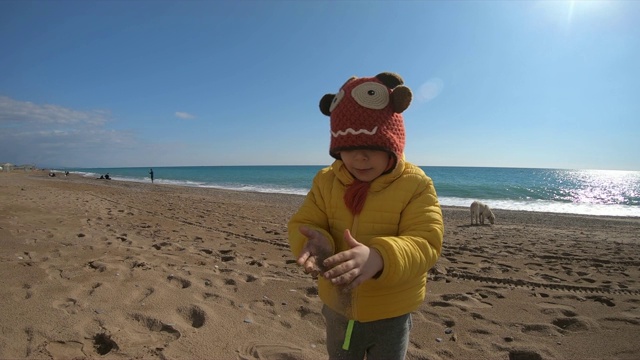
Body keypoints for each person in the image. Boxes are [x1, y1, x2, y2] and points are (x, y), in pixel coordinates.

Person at [288, 72, 444, 360]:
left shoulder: (416, 184)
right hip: (338, 305)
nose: (360, 157)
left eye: (372, 148)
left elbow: (426, 242)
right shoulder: (326, 181)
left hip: (391, 310)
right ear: (337, 148)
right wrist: (312, 240)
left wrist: (380, 257)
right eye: (349, 148)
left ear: (393, 146)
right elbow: (305, 221)